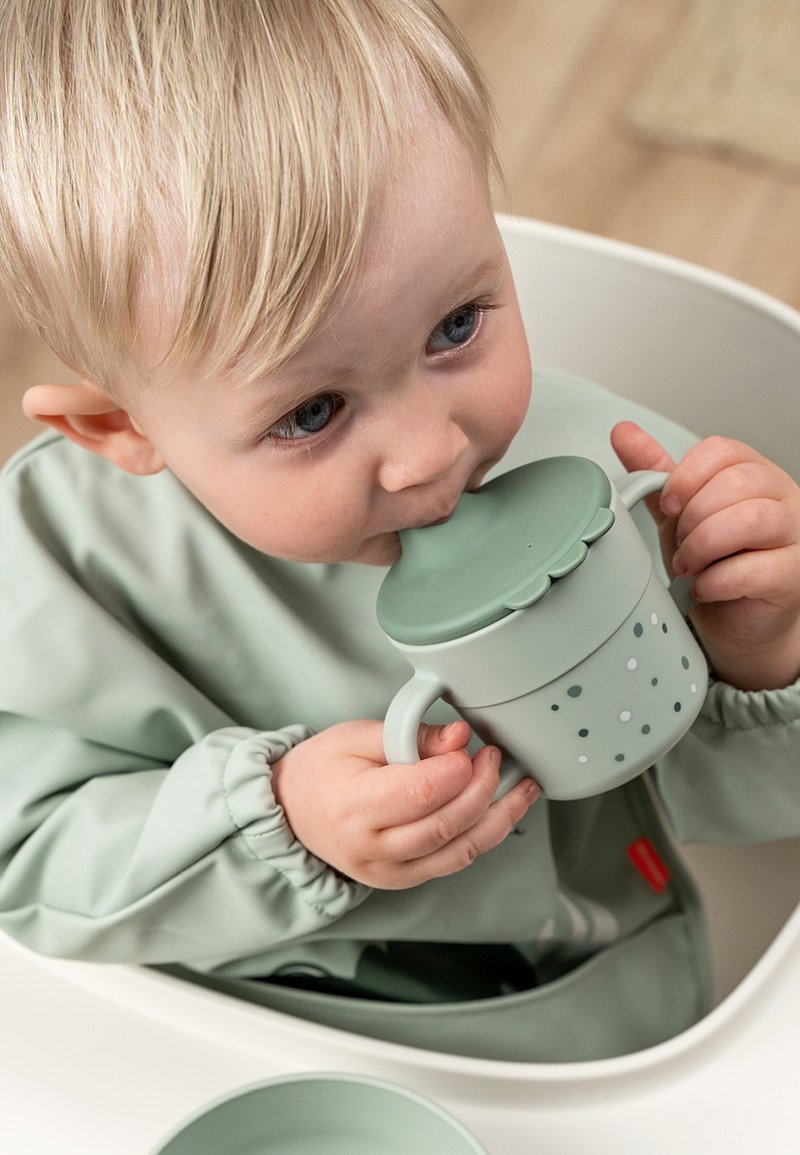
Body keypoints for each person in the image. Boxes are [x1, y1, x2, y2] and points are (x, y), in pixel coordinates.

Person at [0, 0, 798, 1063]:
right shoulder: (56, 571)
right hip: (228, 1027)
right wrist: (274, 820)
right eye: (313, 412)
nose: (430, 452)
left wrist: (761, 661)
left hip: (587, 989)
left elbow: (754, 817)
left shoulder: (613, 478)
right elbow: (32, 868)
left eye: (455, 325)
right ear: (119, 429)